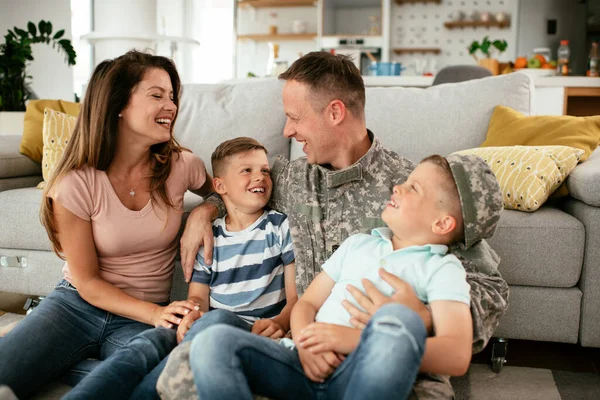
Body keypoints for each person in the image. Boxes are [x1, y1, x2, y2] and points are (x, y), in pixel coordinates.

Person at [175, 51, 509, 398]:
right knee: (186, 373)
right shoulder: (289, 179)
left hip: (385, 355)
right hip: (305, 350)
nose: (287, 130)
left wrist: (423, 316)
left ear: (335, 112)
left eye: (294, 118)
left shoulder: (411, 188)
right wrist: (205, 211)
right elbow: (236, 190)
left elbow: (491, 286)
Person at [188, 153, 503, 400]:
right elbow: (307, 303)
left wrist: (355, 342)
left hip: (360, 374)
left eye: (412, 188)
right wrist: (305, 341)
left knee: (400, 320)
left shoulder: (442, 268)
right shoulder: (358, 245)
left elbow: (456, 355)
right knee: (212, 341)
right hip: (302, 362)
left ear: (442, 224)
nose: (398, 186)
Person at [0, 50, 213, 399]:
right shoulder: (75, 184)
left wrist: (206, 210)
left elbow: (226, 192)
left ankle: (59, 362)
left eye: (172, 96)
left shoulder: (182, 165)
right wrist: (157, 312)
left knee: (161, 379)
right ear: (119, 105)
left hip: (140, 321)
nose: (171, 106)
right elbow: (86, 282)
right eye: (157, 95)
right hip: (75, 306)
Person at [62, 137, 298, 400]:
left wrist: (280, 322)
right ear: (219, 185)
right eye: (247, 170)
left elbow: (295, 298)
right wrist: (192, 315)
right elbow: (198, 298)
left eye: (265, 170)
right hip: (208, 327)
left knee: (217, 321)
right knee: (153, 339)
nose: (260, 177)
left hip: (246, 335)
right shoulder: (210, 237)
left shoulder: (279, 227)